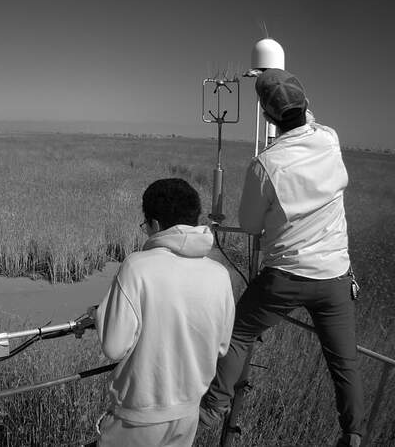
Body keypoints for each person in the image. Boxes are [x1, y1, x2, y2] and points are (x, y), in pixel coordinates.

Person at [199, 69, 364, 447]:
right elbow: (309, 120)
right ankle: (353, 433)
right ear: (306, 106)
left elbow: (251, 224)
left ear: (266, 115)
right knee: (344, 361)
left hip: (285, 277)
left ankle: (213, 409)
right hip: (335, 277)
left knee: (239, 332)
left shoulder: (266, 164)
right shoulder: (329, 138)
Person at [88, 178, 235, 447]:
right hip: (187, 414)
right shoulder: (220, 275)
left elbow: (113, 347)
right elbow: (223, 346)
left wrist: (100, 316)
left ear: (155, 224)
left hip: (137, 418)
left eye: (146, 226)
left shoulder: (137, 267)